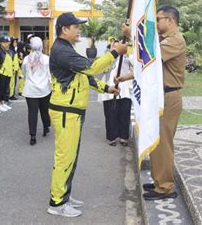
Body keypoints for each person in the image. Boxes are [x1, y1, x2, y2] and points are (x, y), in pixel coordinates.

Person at [47, 12, 127, 218]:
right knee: (65, 157)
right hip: (66, 111)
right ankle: (56, 203)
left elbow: (84, 77)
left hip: (71, 110)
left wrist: (107, 88)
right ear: (65, 29)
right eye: (76, 26)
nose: (79, 30)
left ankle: (64, 194)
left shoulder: (67, 49)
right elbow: (91, 68)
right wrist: (115, 53)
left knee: (70, 157)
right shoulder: (62, 51)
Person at [121, 5, 186, 201]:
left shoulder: (175, 40)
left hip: (169, 96)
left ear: (170, 20)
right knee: (157, 142)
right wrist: (126, 77)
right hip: (160, 96)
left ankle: (166, 187)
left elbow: (150, 57)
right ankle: (159, 181)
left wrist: (132, 34)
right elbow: (146, 65)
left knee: (164, 143)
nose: (155, 22)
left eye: (158, 19)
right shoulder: (164, 40)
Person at [98, 39, 133, 146]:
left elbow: (135, 66)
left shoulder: (127, 57)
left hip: (125, 89)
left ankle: (123, 137)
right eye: (115, 47)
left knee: (124, 113)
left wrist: (126, 54)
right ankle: (112, 137)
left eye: (120, 47)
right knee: (110, 114)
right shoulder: (107, 57)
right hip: (109, 89)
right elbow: (101, 68)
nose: (118, 49)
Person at [21, 37, 51, 146]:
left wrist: (28, 78)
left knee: (32, 112)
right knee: (44, 109)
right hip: (44, 89)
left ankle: (33, 136)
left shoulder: (26, 59)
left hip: (30, 89)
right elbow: (50, 74)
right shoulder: (47, 59)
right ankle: (46, 126)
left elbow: (24, 72)